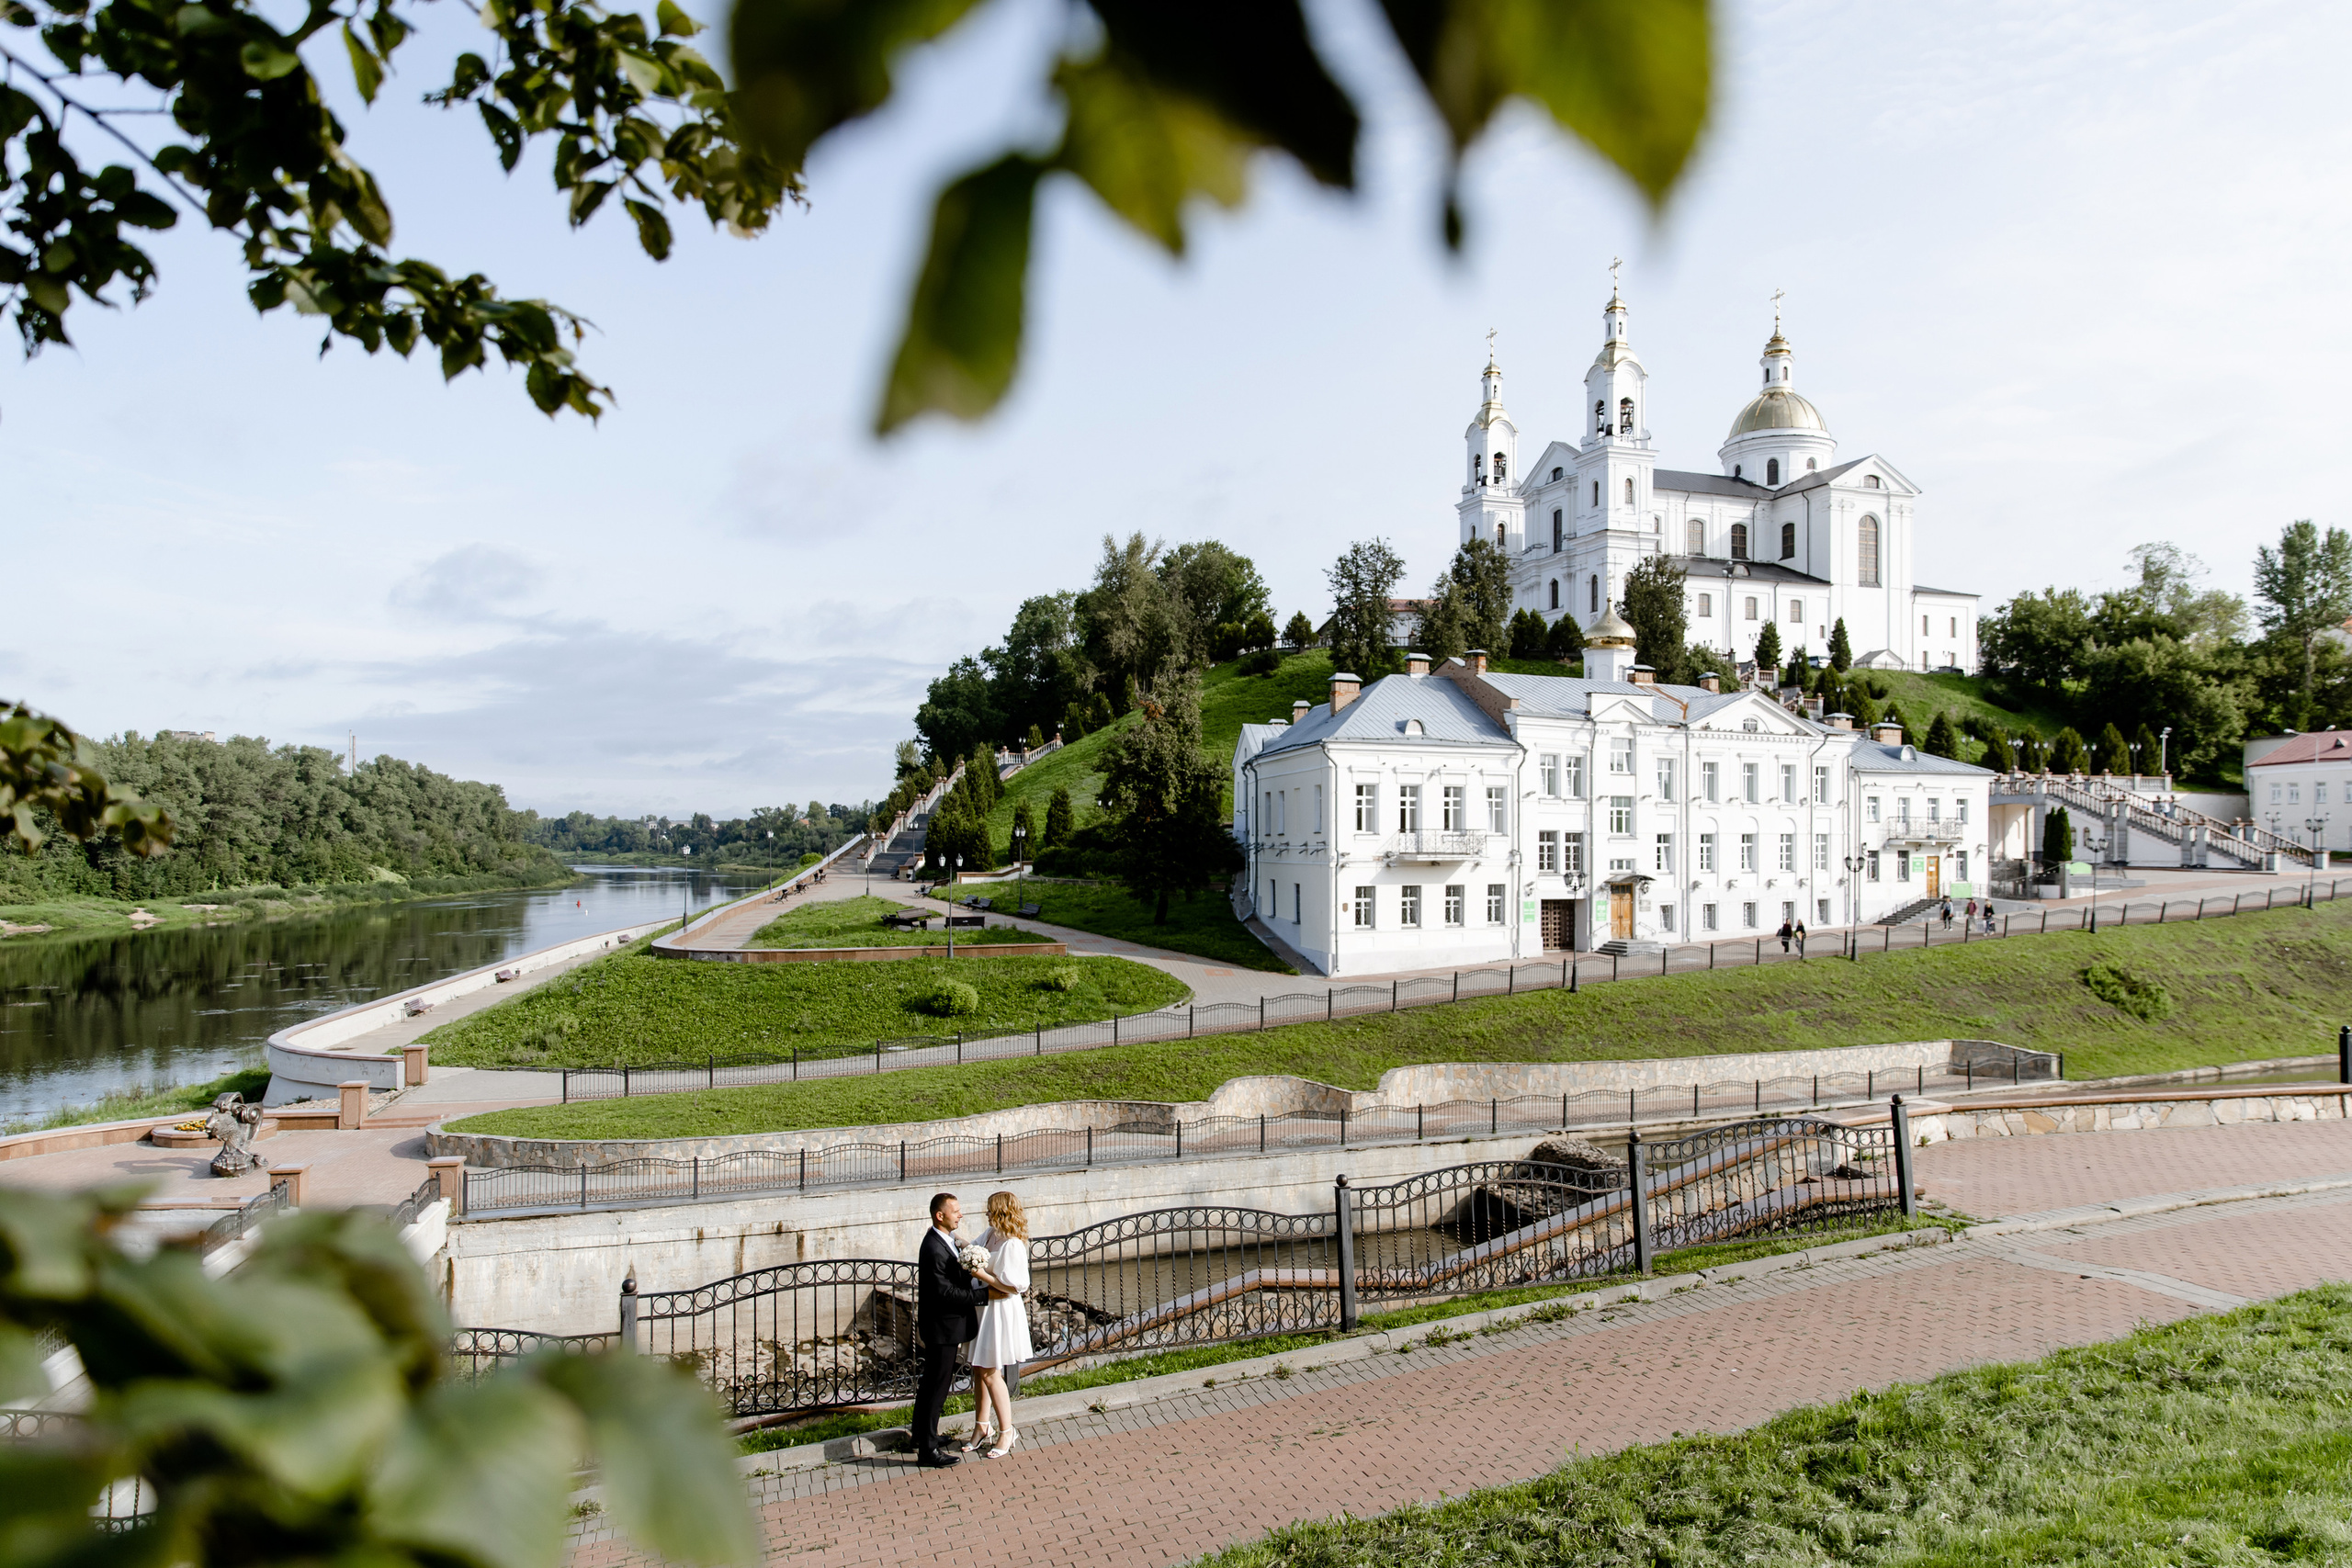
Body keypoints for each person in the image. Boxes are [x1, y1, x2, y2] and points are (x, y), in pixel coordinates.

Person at [911, 1192, 990, 1468]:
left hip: (942, 1326)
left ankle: (920, 1436)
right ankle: (928, 1451)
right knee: (938, 1386)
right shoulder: (934, 1247)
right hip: (942, 1327)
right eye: (955, 1211)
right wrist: (983, 1296)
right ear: (940, 1215)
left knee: (931, 1382)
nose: (960, 1215)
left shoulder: (946, 1241)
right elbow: (944, 1292)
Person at [961, 1190, 1032, 1458]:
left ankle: (1007, 1430)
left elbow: (1013, 1288)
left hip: (1000, 1310)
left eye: (991, 1209)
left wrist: (982, 1274)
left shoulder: (1012, 1244)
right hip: (984, 1308)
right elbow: (972, 1248)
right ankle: (982, 1426)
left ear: (1001, 1211)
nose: (987, 1213)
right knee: (979, 1369)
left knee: (991, 1371)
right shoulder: (991, 1234)